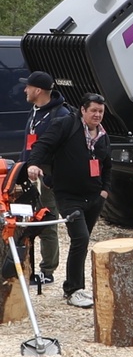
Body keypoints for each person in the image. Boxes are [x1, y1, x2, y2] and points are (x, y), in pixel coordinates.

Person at [26, 93, 112, 308]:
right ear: (83, 110)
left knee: (81, 243)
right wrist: (33, 165)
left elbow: (107, 165)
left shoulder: (102, 135)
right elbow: (42, 145)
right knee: (80, 238)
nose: (97, 115)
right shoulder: (65, 125)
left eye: (100, 111)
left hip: (94, 196)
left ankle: (76, 286)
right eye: (93, 110)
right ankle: (74, 288)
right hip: (68, 195)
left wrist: (105, 191)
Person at [18, 70, 70, 285]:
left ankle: (47, 271)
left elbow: (62, 149)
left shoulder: (61, 115)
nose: (24, 90)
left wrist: (48, 173)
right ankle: (24, 267)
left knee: (47, 219)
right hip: (28, 172)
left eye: (28, 86)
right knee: (25, 220)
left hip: (47, 176)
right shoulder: (36, 110)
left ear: (38, 90)